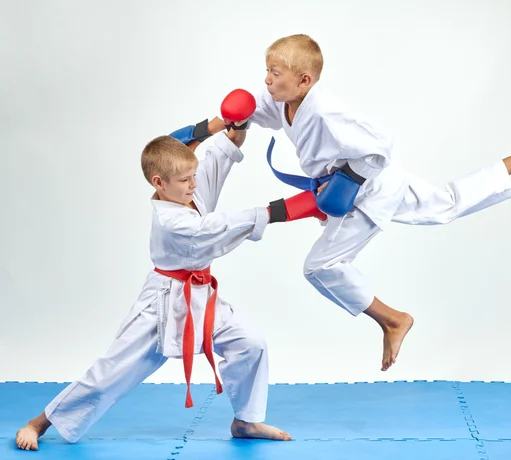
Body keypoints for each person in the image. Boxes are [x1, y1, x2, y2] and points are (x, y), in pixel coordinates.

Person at [248, 33, 511, 372]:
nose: (267, 79)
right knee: (446, 204)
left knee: (319, 267)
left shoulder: (327, 111)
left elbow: (382, 144)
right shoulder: (285, 99)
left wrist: (347, 183)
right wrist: (217, 126)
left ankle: (392, 320)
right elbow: (253, 108)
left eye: (274, 72)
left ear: (304, 80)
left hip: (367, 190)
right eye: (267, 70)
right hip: (378, 182)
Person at [15, 106, 327, 451]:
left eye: (194, 177)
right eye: (185, 180)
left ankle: (246, 420)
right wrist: (289, 209)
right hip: (163, 305)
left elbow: (221, 156)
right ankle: (39, 422)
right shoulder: (171, 220)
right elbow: (215, 228)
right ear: (158, 184)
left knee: (250, 344)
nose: (194, 184)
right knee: (111, 374)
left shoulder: (187, 188)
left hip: (202, 297)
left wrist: (234, 124)